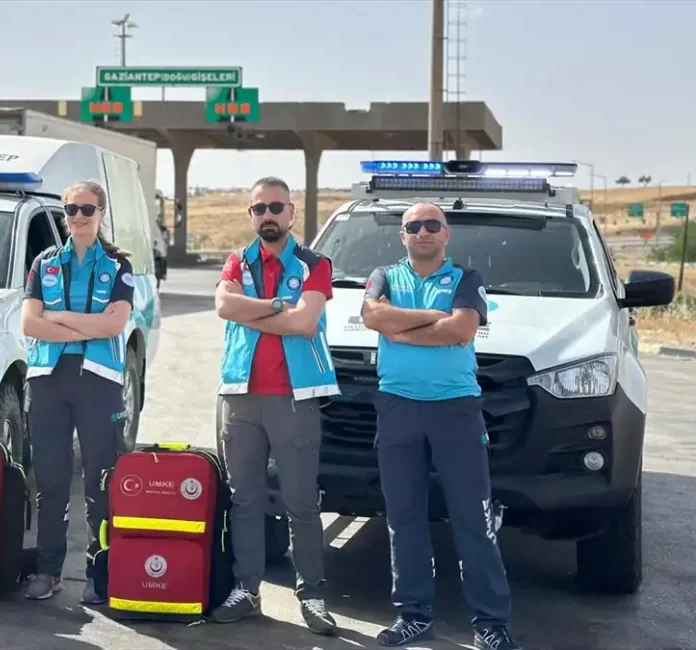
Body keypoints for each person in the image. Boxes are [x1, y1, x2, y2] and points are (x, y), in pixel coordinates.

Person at [360, 202, 519, 650]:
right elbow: (373, 316)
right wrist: (435, 319)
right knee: (404, 518)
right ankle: (413, 615)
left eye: (433, 225)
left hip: (455, 410)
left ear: (446, 234)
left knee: (473, 519)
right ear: (402, 236)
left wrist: (401, 327)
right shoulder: (384, 276)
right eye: (414, 226)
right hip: (398, 409)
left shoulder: (467, 279)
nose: (423, 232)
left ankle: (491, 622)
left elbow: (462, 329)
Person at [210, 176, 339, 635]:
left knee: (301, 502)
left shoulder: (314, 264)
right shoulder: (236, 260)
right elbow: (224, 307)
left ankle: (313, 594)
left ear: (292, 213)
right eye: (260, 207)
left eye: (276, 207)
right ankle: (247, 589)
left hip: (293, 397)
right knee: (244, 499)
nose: (268, 214)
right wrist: (274, 307)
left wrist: (255, 310)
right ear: (251, 214)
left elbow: (306, 322)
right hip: (240, 395)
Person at [20, 180, 135, 603]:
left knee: (100, 482)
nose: (79, 217)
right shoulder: (44, 263)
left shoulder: (118, 265)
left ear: (102, 213)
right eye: (71, 210)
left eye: (87, 209)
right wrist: (84, 322)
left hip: (99, 381)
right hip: (47, 379)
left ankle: (97, 574)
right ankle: (48, 570)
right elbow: (30, 324)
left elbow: (113, 325)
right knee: (50, 481)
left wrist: (60, 319)